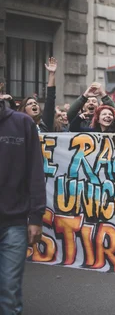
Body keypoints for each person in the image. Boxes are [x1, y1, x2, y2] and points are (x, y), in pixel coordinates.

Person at [0, 96, 45, 315]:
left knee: (9, 291)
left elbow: (35, 172)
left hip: (14, 222)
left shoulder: (23, 123)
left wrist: (36, 216)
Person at [17, 57, 58, 133]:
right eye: (29, 104)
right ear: (23, 109)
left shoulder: (44, 124)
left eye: (35, 103)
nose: (34, 105)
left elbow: (50, 99)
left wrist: (52, 74)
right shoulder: (18, 126)